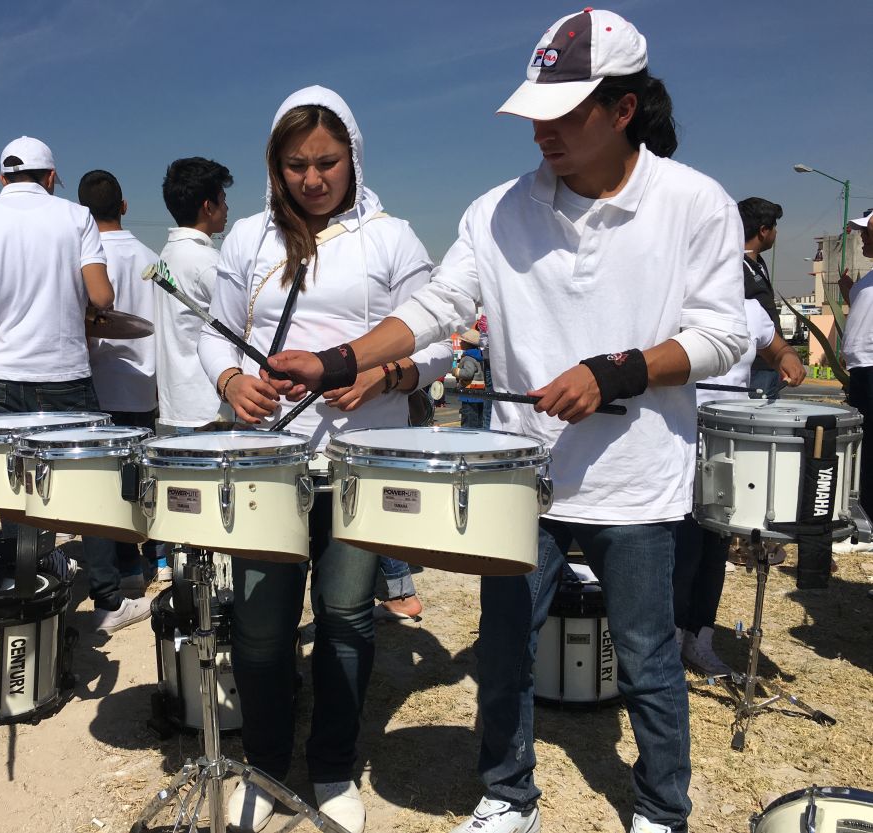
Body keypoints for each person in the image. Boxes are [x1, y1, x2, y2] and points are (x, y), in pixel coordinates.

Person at [268, 12, 748, 833]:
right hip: (519, 475)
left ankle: (663, 808)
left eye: (563, 114)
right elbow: (437, 306)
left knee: (646, 658)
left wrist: (615, 373)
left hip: (634, 480)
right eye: (535, 112)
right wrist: (338, 360)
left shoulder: (693, 202)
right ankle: (505, 793)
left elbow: (724, 333)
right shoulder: (498, 210)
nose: (541, 131)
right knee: (503, 652)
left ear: (622, 111)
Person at [197, 85, 451, 833]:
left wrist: (381, 372)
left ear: (355, 158)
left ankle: (334, 764)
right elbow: (213, 330)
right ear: (275, 165)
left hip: (357, 461)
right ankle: (266, 767)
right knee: (262, 624)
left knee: (345, 616)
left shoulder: (392, 237)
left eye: (328, 163)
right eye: (297, 165)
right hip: (268, 462)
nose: (313, 180)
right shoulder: (248, 238)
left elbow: (435, 338)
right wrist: (234, 379)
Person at [0, 137, 149, 635]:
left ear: (2, 178)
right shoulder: (74, 217)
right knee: (93, 488)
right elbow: (101, 295)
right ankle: (107, 602)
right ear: (49, 177)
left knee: (20, 492)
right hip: (65, 372)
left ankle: (29, 596)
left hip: (3, 374)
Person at [675, 302, 805, 676]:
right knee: (682, 550)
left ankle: (699, 640)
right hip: (681, 440)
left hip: (731, 446)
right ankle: (668, 641)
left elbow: (775, 346)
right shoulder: (678, 302)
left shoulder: (751, 310)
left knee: (714, 551)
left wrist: (788, 356)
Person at [76, 169, 156, 615]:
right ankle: (136, 565)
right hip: (141, 385)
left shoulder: (83, 254)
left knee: (101, 489)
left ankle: (118, 575)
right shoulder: (149, 256)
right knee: (135, 485)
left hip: (97, 384)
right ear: (124, 206)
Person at [157, 156, 234, 434]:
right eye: (223, 200)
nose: (227, 208)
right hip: (208, 406)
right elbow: (244, 319)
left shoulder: (167, 253)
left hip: (176, 401)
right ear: (208, 206)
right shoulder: (206, 261)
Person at [839, 209, 873, 520]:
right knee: (864, 443)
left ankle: (869, 517)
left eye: (867, 231)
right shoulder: (869, 278)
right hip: (862, 368)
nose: (862, 236)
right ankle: (863, 511)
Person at [738, 197, 785, 397]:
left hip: (770, 363)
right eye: (774, 227)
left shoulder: (758, 263)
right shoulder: (736, 266)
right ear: (763, 230)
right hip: (755, 365)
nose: (776, 232)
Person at [454, 328, 486, 428]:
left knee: (468, 421)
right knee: (479, 421)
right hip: (480, 394)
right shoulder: (480, 356)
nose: (460, 342)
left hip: (469, 395)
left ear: (467, 344)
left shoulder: (468, 358)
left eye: (462, 341)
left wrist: (455, 371)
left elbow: (467, 374)